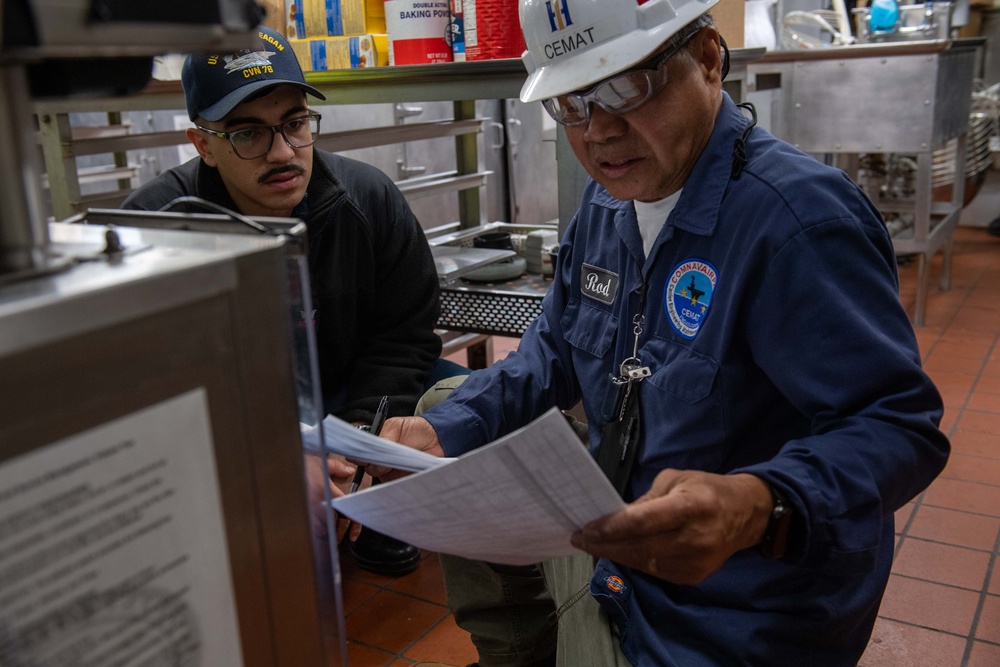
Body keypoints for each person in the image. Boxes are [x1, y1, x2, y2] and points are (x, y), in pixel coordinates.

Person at [377, 0, 951, 664]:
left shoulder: (796, 224)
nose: (599, 132)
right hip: (624, 547)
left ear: (707, 59)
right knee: (442, 412)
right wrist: (447, 431)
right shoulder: (609, 202)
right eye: (571, 103)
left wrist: (756, 504)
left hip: (728, 613)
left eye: (625, 86)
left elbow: (899, 425)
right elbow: (554, 350)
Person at [121, 26, 443, 577]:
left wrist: (360, 451)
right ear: (203, 144)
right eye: (248, 133)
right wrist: (271, 454)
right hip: (237, 413)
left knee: (442, 397)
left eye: (295, 123)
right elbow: (152, 386)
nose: (283, 152)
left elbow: (402, 338)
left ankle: (373, 511)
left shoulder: (368, 201)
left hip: (343, 392)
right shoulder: (156, 228)